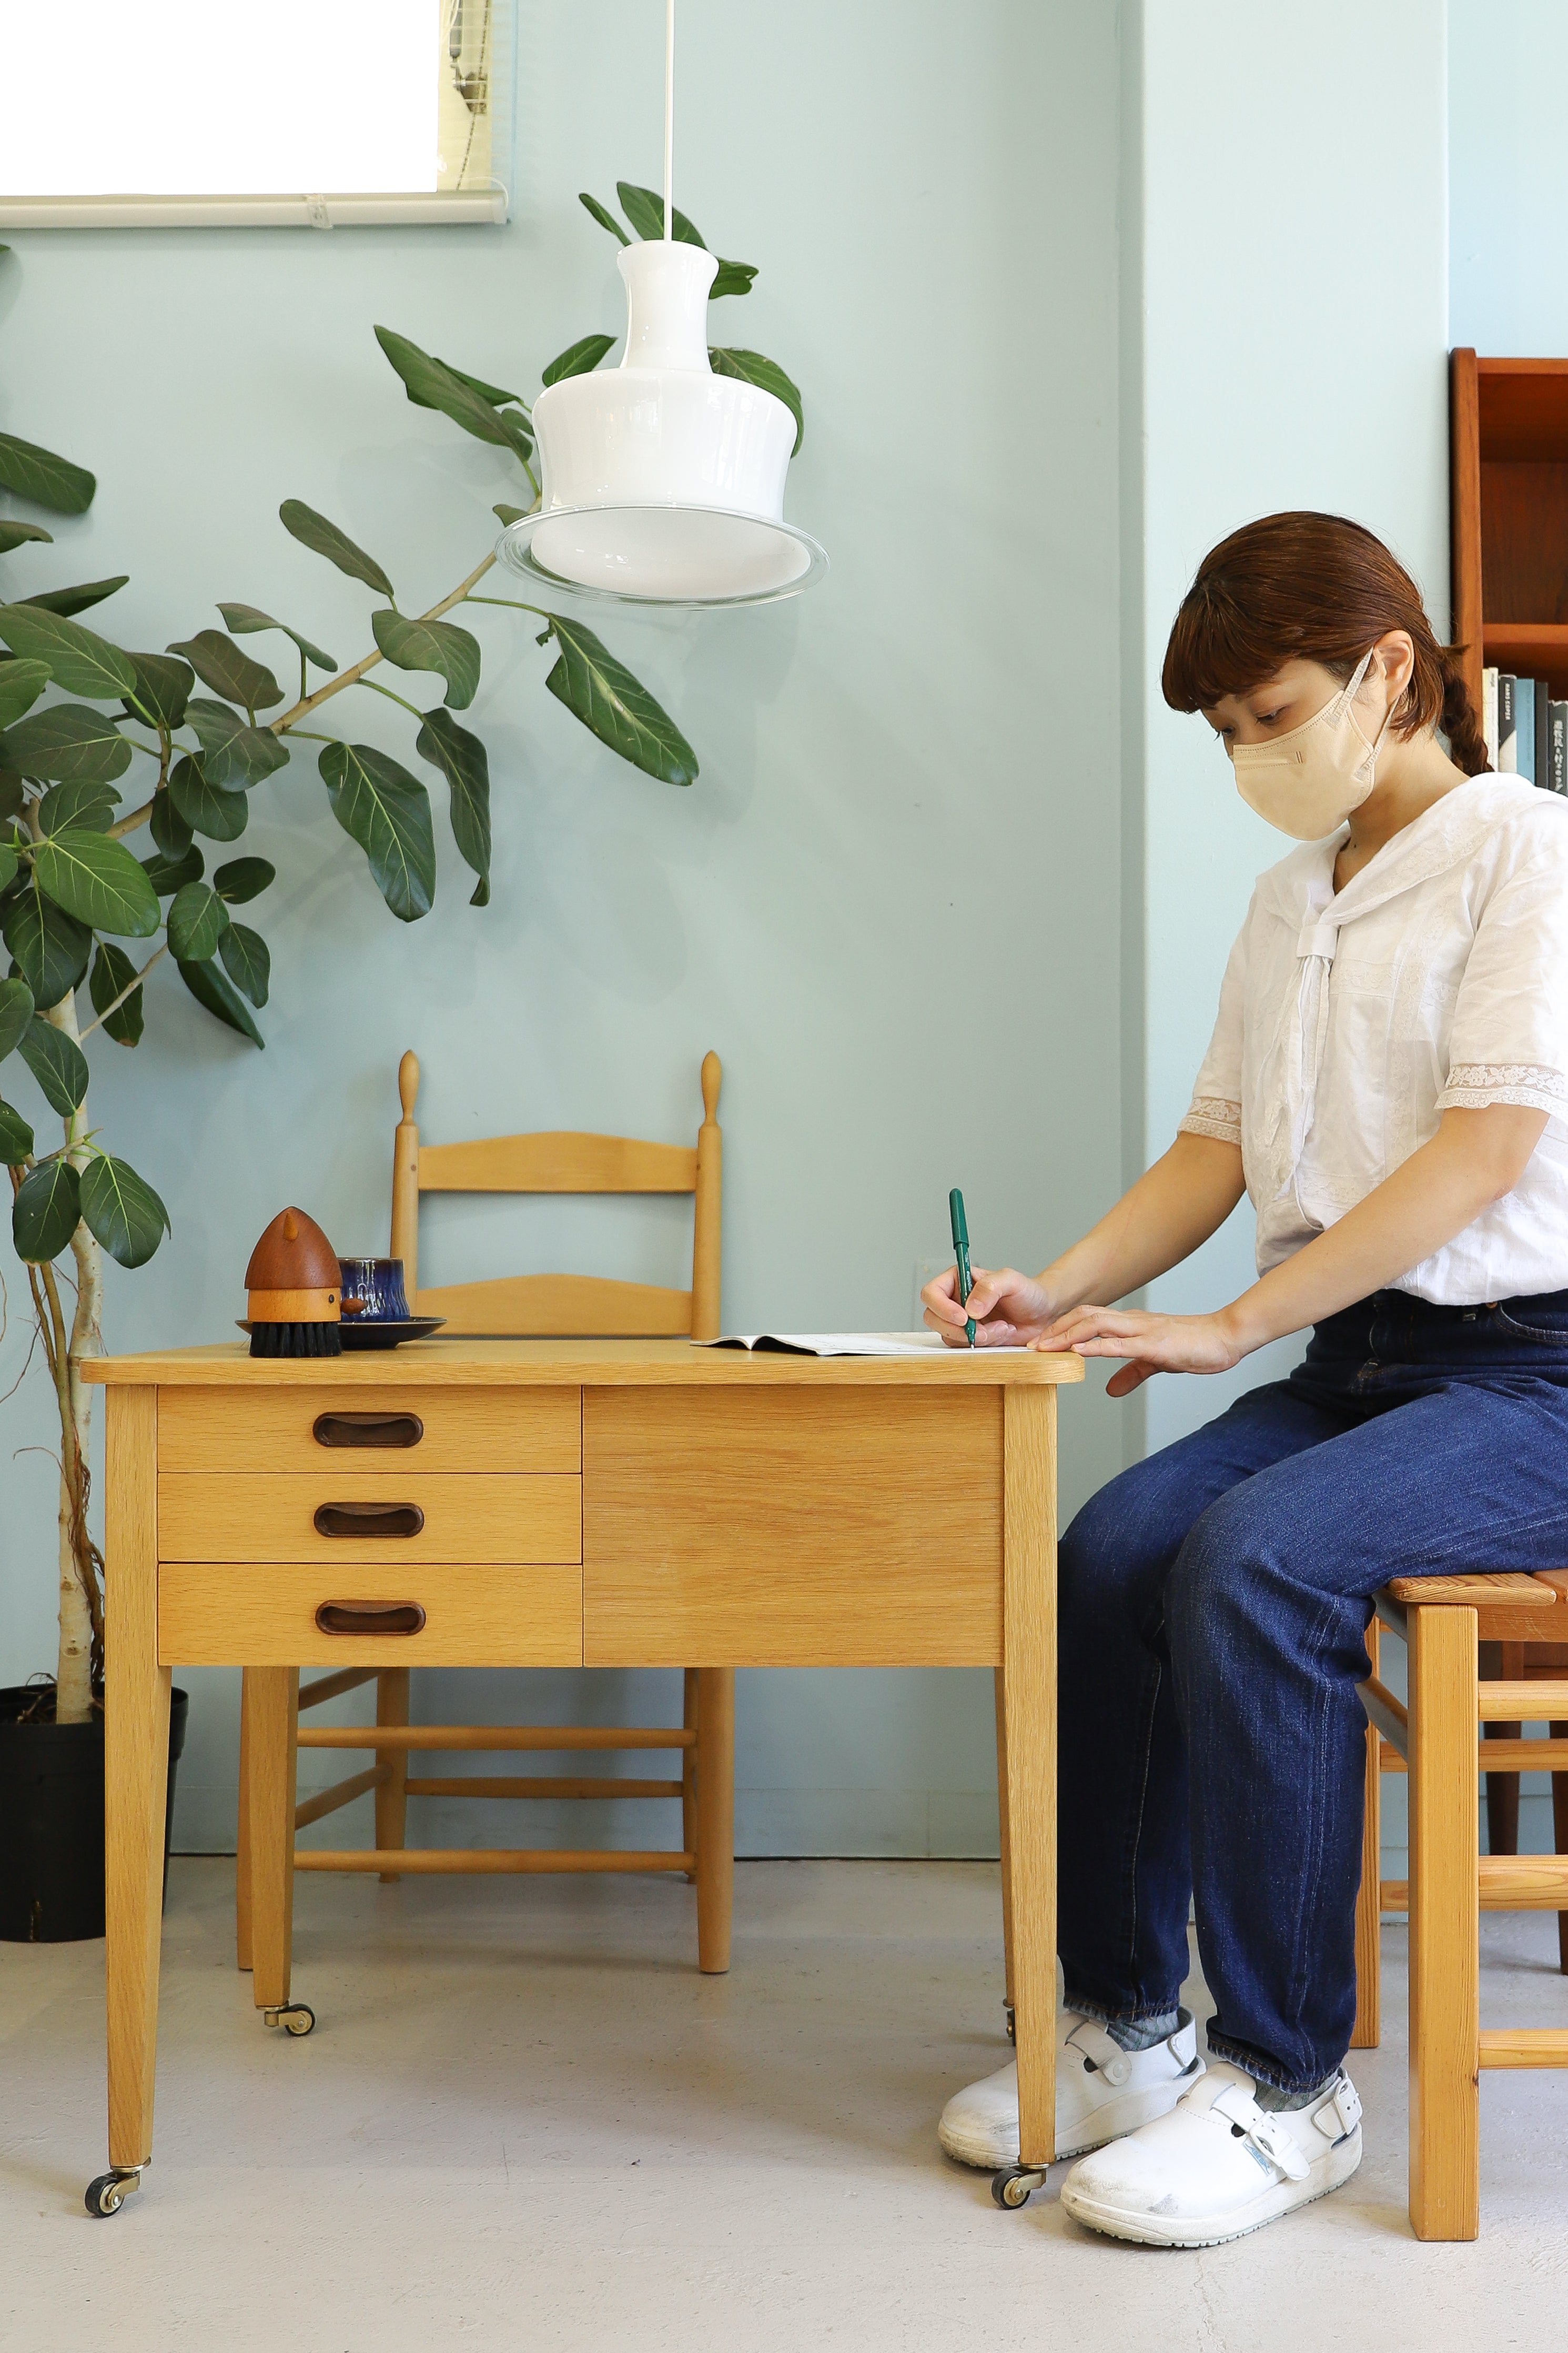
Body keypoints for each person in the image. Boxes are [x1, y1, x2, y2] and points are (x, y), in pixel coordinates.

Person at [924, 510, 1568, 2248]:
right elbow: (1212, 1150)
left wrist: (1229, 1328)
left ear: (1389, 675)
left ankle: (1291, 2087)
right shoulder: (1295, 899)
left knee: (1259, 1561)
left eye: (1268, 716)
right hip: (1366, 1358)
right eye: (1223, 735)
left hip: (1538, 1376)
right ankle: (1131, 2029)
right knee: (1115, 1549)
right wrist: (1051, 1286)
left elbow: (1489, 1150)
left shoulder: (1531, 854)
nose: (1249, 758)